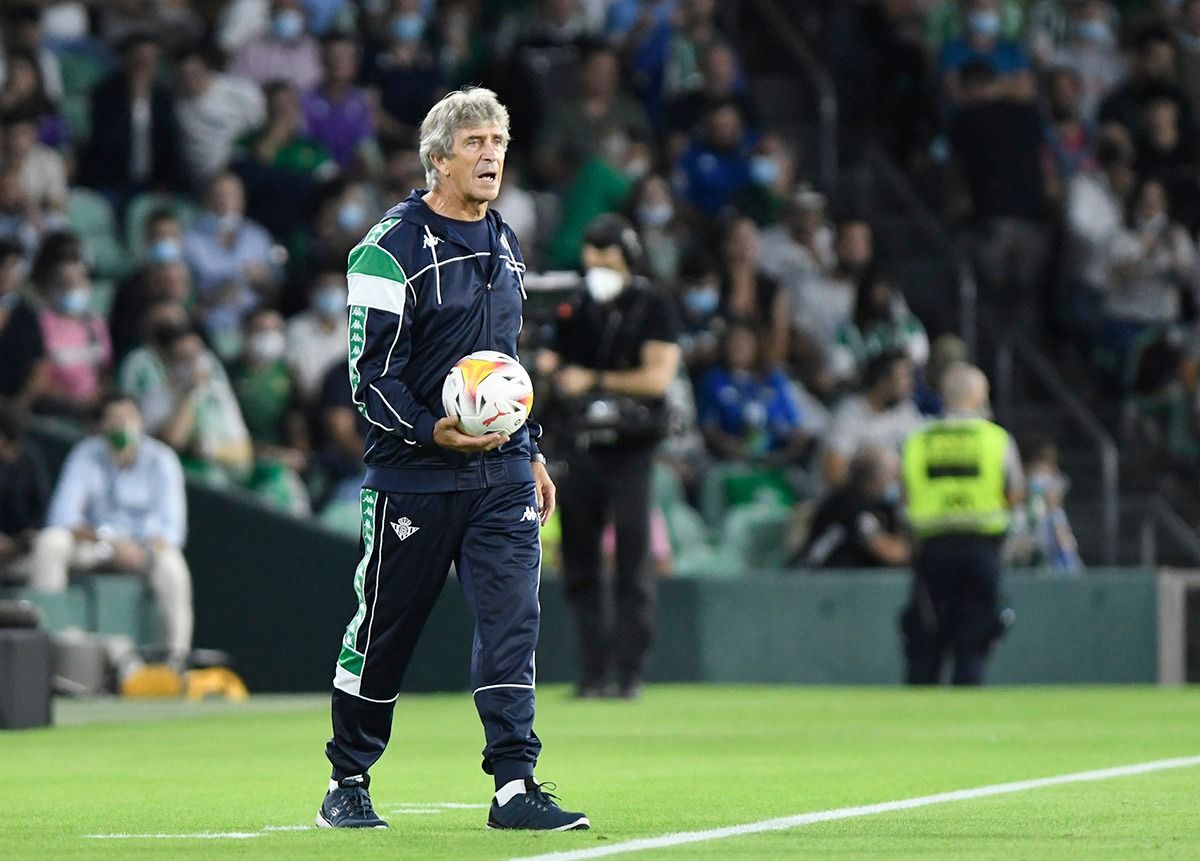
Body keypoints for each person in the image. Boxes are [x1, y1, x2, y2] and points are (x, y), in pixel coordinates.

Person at [318, 87, 588, 832]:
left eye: (498, 140)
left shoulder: (506, 242)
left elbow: (506, 364)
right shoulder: (388, 248)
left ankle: (514, 782)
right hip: (414, 474)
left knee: (513, 620)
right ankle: (348, 776)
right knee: (384, 628)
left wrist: (529, 451)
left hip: (499, 474)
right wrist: (434, 430)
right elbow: (369, 378)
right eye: (474, 142)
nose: (491, 153)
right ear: (437, 159)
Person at [541, 213, 682, 700]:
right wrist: (554, 371)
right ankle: (593, 671)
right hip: (579, 445)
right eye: (592, 257)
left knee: (631, 558)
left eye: (607, 257)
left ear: (628, 258)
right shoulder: (574, 307)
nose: (598, 266)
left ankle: (629, 671)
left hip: (631, 448)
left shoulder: (652, 307)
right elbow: (552, 367)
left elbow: (657, 378)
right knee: (579, 563)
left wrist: (593, 380)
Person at [32, 394, 192, 668]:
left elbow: (173, 528)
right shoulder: (86, 454)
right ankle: (44, 649)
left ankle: (176, 662)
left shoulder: (161, 459)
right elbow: (62, 516)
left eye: (127, 418)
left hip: (145, 550)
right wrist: (110, 542)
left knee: (174, 567)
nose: (120, 426)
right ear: (102, 425)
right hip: (99, 546)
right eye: (113, 419)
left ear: (140, 422)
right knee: (51, 542)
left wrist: (142, 549)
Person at [899, 363, 1023, 686]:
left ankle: (915, 722)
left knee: (927, 639)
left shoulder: (917, 439)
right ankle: (967, 714)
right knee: (975, 640)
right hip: (981, 548)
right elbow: (1014, 493)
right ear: (975, 395)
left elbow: (905, 495)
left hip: (932, 549)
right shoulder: (995, 438)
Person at [797, 445, 909, 569]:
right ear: (875, 477)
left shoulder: (881, 506)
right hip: (821, 578)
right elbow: (892, 553)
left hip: (851, 580)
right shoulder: (847, 503)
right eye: (893, 476)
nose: (897, 483)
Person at [0, 403, 50, 582]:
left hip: (22, 544)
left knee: (48, 545)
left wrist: (22, 540)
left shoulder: (30, 458)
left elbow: (42, 511)